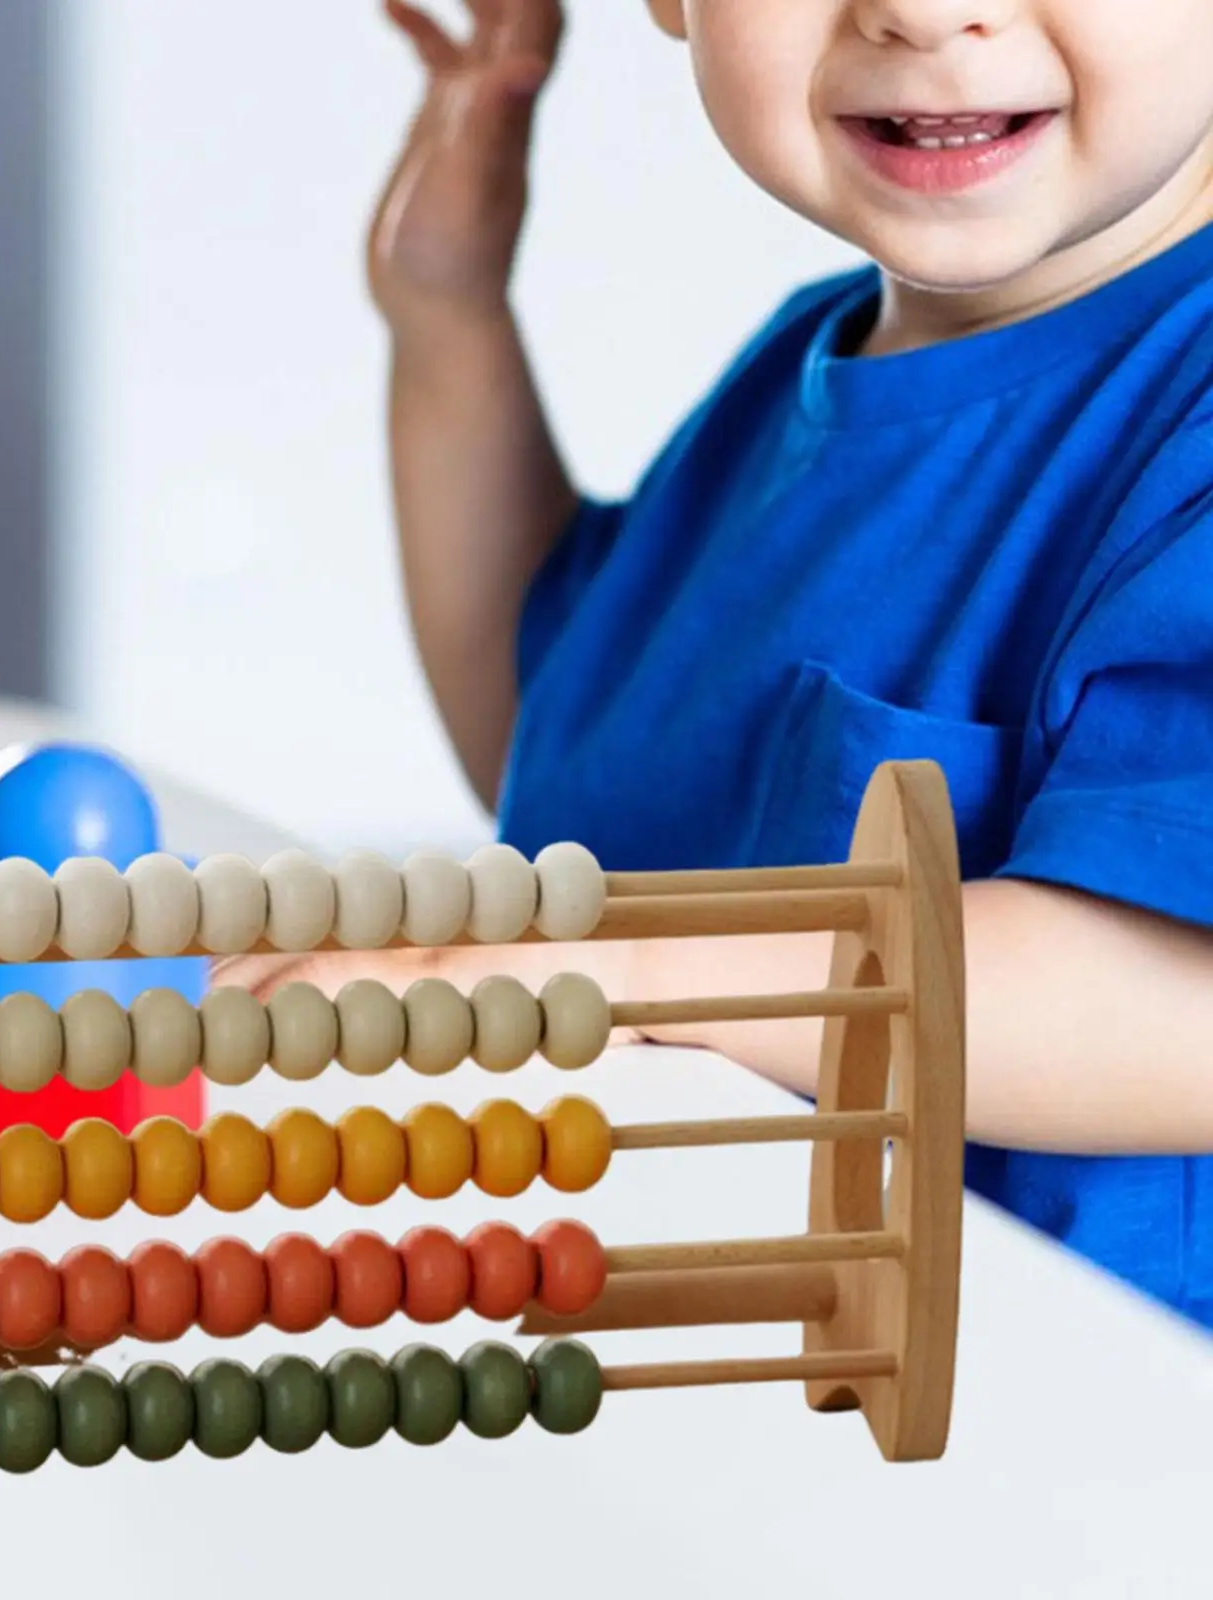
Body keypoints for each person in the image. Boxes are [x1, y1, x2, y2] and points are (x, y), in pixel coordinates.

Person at [220, 0, 1213, 1328]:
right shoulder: (799, 376)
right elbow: (563, 736)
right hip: (718, 1412)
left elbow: (1172, 1001)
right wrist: (446, 318)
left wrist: (621, 966)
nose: (920, 10)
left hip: (1067, 1460)